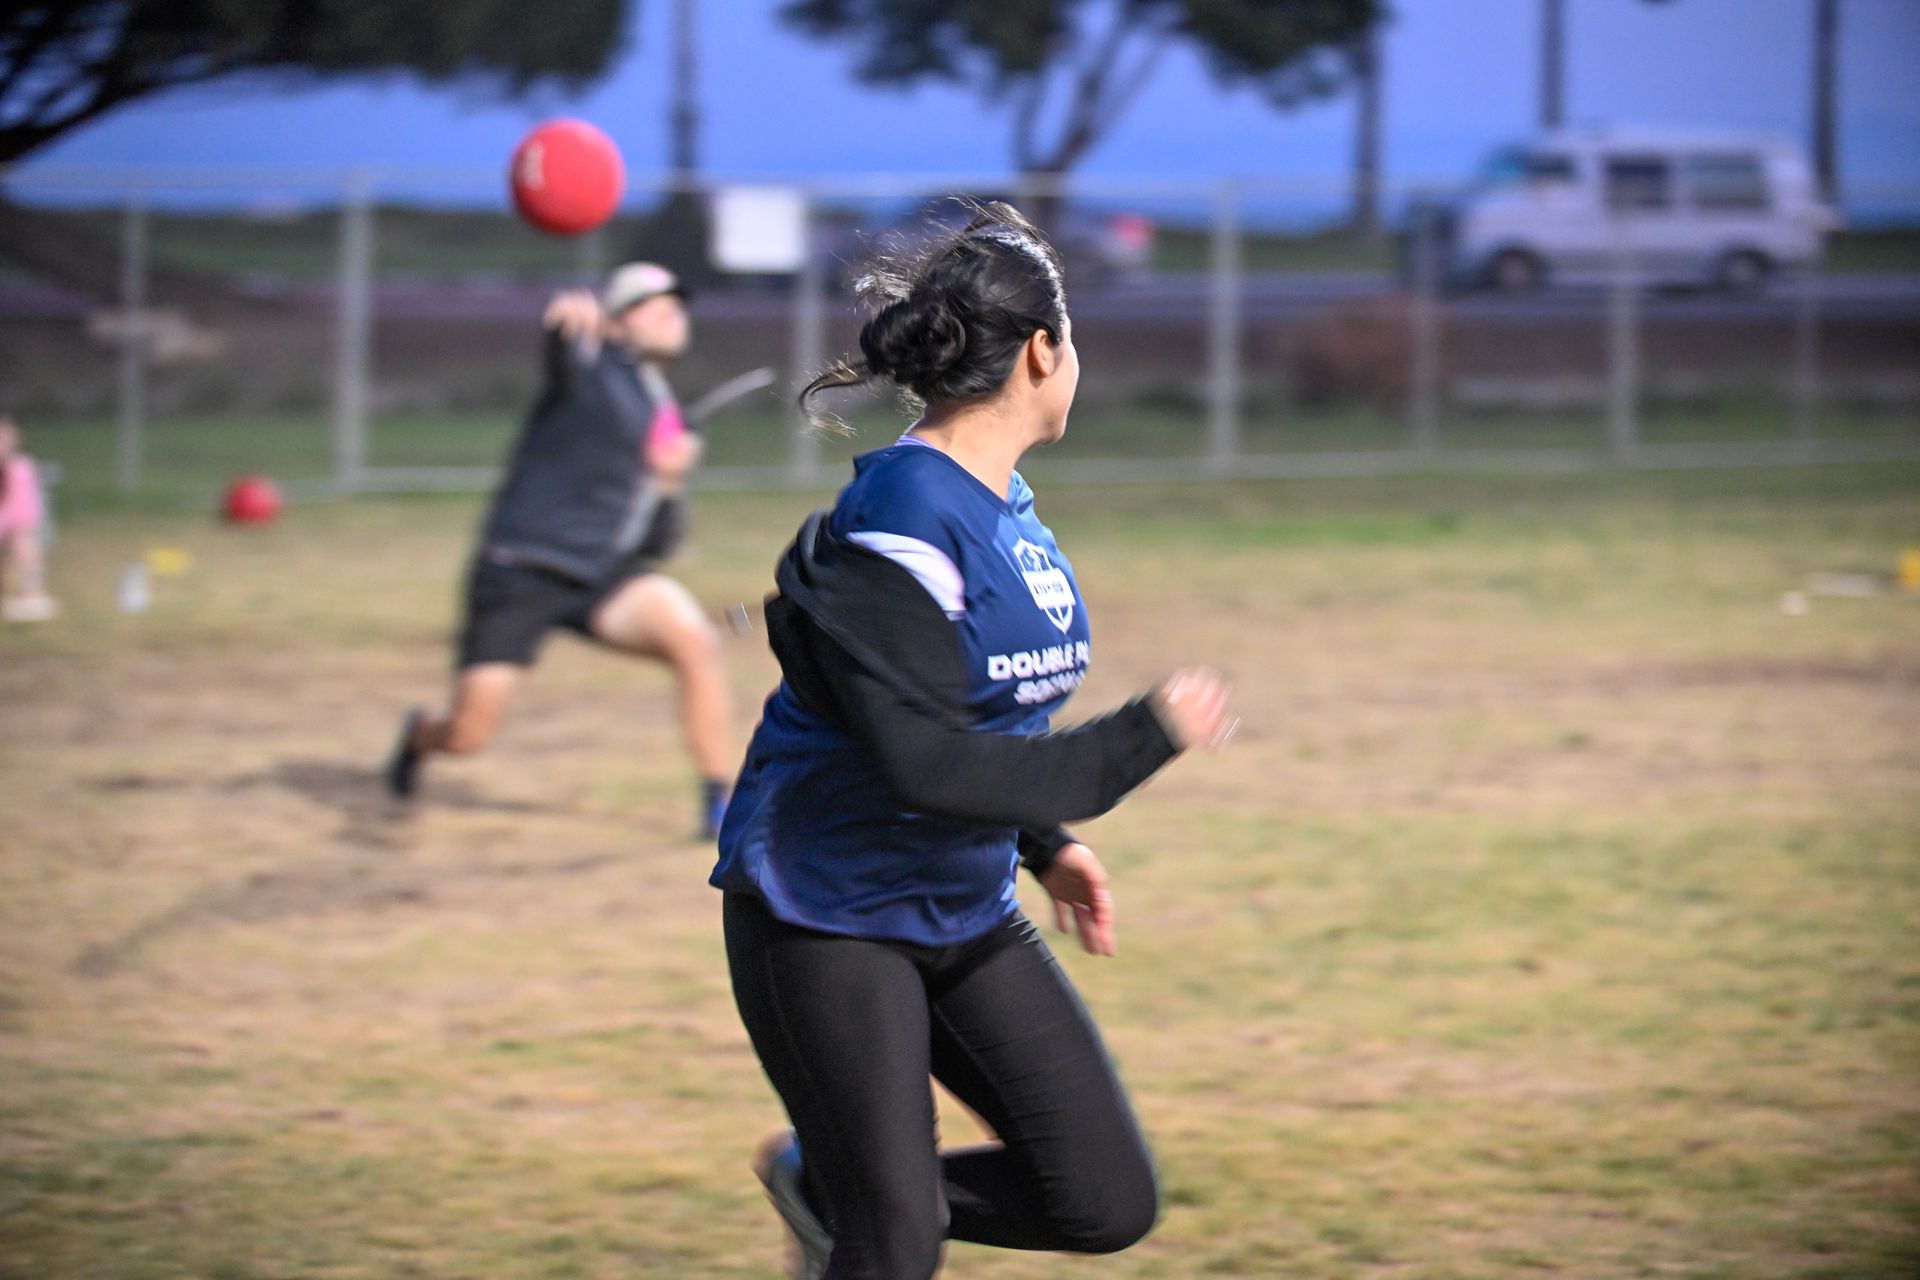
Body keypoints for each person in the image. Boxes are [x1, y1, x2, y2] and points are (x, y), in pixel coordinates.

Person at [710, 203, 1236, 1280]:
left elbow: (973, 711)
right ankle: (855, 1202)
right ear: (1043, 351)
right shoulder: (902, 517)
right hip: (827, 915)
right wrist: (1144, 736)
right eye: (1075, 336)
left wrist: (1047, 842)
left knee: (1099, 1196)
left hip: (958, 902)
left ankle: (829, 1182)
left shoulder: (1008, 507)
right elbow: (925, 760)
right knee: (895, 1244)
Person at [385, 263, 734, 837]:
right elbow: (563, 350)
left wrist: (668, 483)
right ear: (616, 323)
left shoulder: (663, 409)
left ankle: (719, 803)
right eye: (649, 301)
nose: (671, 308)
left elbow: (658, 545)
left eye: (677, 298)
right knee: (468, 736)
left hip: (602, 575)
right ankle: (420, 734)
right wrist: (563, 324)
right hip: (524, 569)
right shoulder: (593, 365)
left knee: (696, 641)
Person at [0, 413, 59, 624]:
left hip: (11, 532)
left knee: (25, 540)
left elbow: (24, 520)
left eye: (6, 438)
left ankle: (30, 593)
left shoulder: (20, 470)